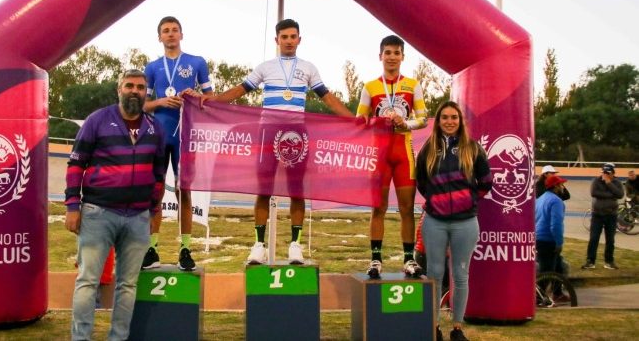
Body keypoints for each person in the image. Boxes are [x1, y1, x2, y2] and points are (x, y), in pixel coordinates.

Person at [201, 19, 353, 265]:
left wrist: (355, 120)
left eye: (293, 37)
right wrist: (212, 102)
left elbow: (327, 97)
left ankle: (295, 245)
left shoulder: (308, 67)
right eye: (285, 37)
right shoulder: (265, 67)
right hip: (268, 133)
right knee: (264, 189)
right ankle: (258, 245)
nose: (289, 41)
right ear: (277, 40)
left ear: (299, 39)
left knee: (296, 191)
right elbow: (240, 90)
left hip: (296, 135)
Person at [65, 69, 166, 340]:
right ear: (119, 90)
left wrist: (154, 210)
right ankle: (81, 338)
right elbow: (76, 164)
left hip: (137, 217)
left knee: (128, 285)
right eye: (129, 86)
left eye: (141, 87)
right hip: (99, 213)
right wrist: (73, 206)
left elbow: (159, 175)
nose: (135, 91)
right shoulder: (97, 120)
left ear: (147, 92)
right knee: (88, 281)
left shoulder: (155, 128)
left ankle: (118, 338)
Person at [415, 101, 492, 341]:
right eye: (445, 117)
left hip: (465, 223)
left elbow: (486, 181)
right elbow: (421, 182)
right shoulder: (428, 148)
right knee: (434, 274)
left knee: (460, 275)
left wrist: (467, 201)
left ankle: (457, 328)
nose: (449, 121)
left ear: (460, 121)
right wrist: (437, 201)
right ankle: (433, 327)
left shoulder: (473, 148)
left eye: (454, 117)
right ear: (437, 121)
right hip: (435, 221)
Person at [142, 16, 213, 271]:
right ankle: (153, 248)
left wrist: (197, 96)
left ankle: (185, 249)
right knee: (156, 192)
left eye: (174, 30)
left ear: (181, 34)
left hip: (185, 134)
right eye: (165, 31)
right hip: (160, 135)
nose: (170, 34)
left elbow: (210, 98)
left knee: (185, 191)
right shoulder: (151, 67)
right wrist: (161, 102)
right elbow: (142, 104)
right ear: (159, 37)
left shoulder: (197, 62)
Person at [356, 35, 427, 278]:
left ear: (402, 57)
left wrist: (405, 122)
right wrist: (369, 122)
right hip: (379, 154)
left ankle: (409, 260)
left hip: (403, 152)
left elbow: (423, 119)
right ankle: (375, 260)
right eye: (388, 52)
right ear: (380, 56)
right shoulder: (370, 87)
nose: (392, 57)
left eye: (396, 53)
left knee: (407, 209)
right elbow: (359, 121)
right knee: (378, 208)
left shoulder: (413, 84)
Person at [582, 163, 624, 270]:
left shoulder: (617, 182)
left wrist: (609, 183)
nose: (604, 174)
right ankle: (590, 261)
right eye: (603, 172)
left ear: (613, 173)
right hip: (597, 215)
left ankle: (609, 261)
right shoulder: (596, 181)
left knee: (610, 240)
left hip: (611, 215)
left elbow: (620, 194)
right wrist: (611, 195)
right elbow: (594, 193)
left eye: (607, 173)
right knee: (594, 238)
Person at [535, 174, 568, 305]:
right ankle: (539, 299)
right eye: (561, 185)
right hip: (548, 240)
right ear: (555, 187)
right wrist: (559, 242)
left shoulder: (540, 199)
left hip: (538, 238)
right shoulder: (556, 201)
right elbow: (556, 224)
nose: (563, 187)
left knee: (559, 266)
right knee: (547, 271)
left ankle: (558, 293)